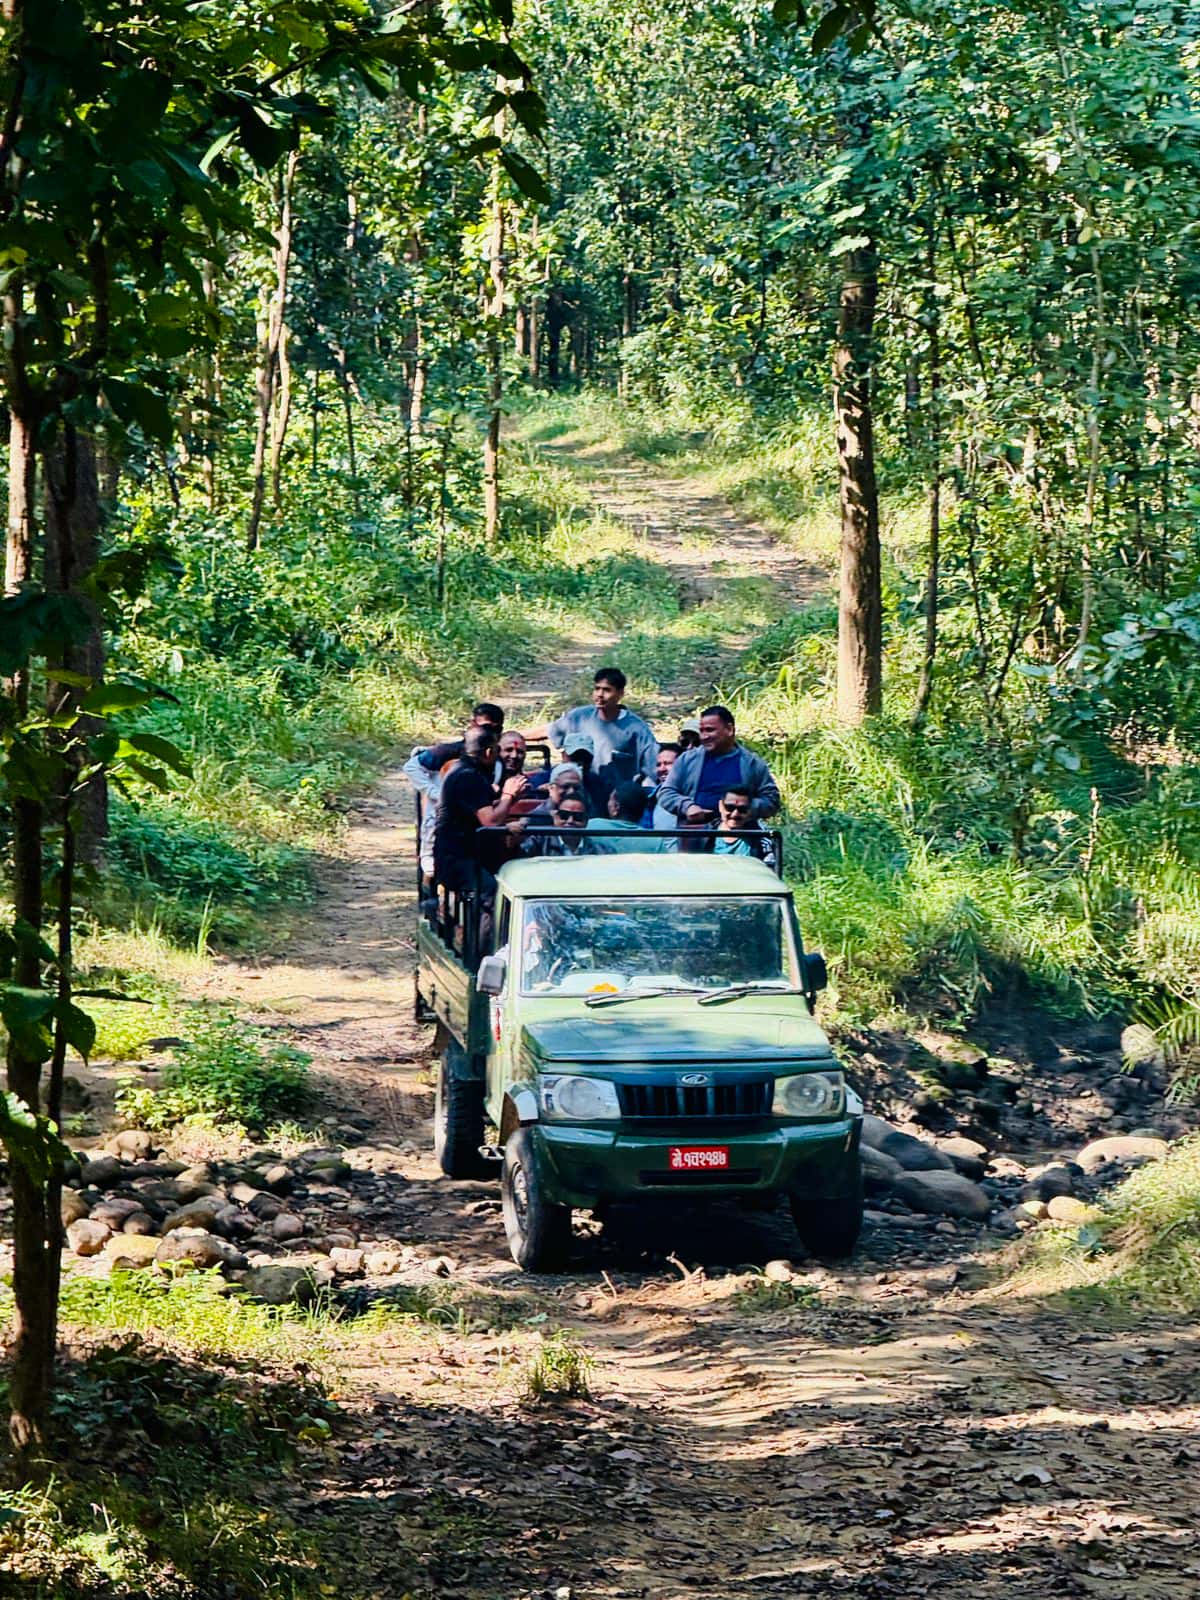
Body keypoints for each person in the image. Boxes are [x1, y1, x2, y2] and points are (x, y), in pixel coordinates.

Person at [433, 726, 528, 895]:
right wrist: (509, 795)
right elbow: (491, 821)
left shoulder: (466, 770)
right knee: (491, 893)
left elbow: (477, 808)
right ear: (489, 751)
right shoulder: (468, 776)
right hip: (457, 859)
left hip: (468, 853)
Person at [657, 705, 780, 829]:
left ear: (729, 729)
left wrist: (744, 808)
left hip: (741, 836)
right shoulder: (687, 760)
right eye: (702, 731)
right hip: (695, 833)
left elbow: (772, 800)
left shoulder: (752, 764)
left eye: (710, 730)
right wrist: (687, 807)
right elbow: (666, 792)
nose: (704, 736)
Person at [541, 666, 658, 789]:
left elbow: (653, 767)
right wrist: (520, 736)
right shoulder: (579, 716)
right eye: (597, 689)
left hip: (616, 797)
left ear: (620, 693)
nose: (600, 695)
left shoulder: (637, 729)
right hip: (579, 792)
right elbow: (550, 730)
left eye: (607, 690)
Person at [708, 786, 778, 868]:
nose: (735, 814)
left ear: (750, 809)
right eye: (730, 808)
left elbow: (770, 868)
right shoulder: (703, 836)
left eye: (742, 809)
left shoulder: (762, 835)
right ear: (720, 806)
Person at [589, 781, 667, 853]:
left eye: (610, 800)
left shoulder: (592, 826)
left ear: (616, 807)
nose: (608, 804)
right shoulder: (656, 842)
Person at [518, 791, 590, 856]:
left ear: (586, 821)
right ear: (555, 817)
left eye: (578, 817)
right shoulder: (538, 843)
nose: (570, 821)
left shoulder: (597, 849)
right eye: (564, 815)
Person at [560, 729, 612, 814]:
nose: (581, 763)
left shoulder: (599, 785)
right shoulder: (545, 780)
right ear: (563, 756)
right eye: (575, 757)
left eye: (586, 758)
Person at [642, 741, 680, 830]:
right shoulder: (650, 799)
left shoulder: (692, 797)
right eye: (658, 765)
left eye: (668, 763)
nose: (661, 769)